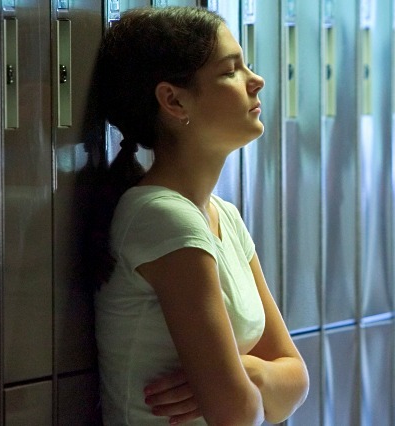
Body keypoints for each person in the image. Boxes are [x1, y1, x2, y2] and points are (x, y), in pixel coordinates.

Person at [88, 6, 308, 425]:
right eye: (231, 70)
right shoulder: (163, 217)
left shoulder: (222, 216)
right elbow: (237, 414)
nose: (256, 80)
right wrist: (246, 385)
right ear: (173, 100)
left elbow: (296, 379)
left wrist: (248, 372)